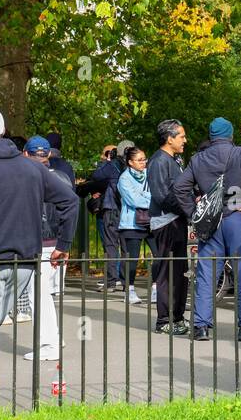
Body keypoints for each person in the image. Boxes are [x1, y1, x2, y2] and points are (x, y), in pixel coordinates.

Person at [0, 108, 78, 413]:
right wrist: (64, 244)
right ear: (4, 131)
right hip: (26, 262)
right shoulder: (32, 169)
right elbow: (70, 200)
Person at [173, 117, 241, 342]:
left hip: (212, 222)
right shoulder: (240, 153)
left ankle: (200, 326)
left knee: (207, 274)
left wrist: (194, 214)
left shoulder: (198, 159)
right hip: (238, 217)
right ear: (230, 134)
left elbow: (180, 187)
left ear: (211, 135)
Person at [22, 136, 65, 360]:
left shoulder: (27, 178)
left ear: (26, 154)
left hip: (39, 241)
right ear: (47, 155)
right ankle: (54, 336)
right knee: (43, 291)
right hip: (55, 240)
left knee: (38, 294)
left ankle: (49, 343)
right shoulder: (61, 177)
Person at [147, 119, 190, 336]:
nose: (185, 140)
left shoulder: (175, 160)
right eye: (181, 136)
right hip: (165, 223)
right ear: (169, 138)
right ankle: (164, 320)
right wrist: (189, 207)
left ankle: (178, 317)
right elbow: (162, 196)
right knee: (167, 272)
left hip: (178, 221)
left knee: (180, 272)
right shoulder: (158, 161)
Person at [77, 140, 133, 291]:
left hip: (112, 208)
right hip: (129, 210)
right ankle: (127, 282)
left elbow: (96, 175)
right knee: (127, 246)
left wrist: (109, 161)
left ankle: (111, 281)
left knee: (111, 245)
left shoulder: (112, 165)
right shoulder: (136, 165)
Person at [116, 146, 151, 305]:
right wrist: (150, 199)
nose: (143, 162)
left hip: (151, 220)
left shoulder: (149, 174)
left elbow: (156, 192)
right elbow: (134, 201)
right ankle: (129, 290)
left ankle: (156, 287)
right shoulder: (124, 179)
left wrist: (146, 197)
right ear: (130, 162)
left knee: (160, 255)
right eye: (139, 160)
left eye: (144, 159)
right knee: (132, 259)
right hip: (131, 223)